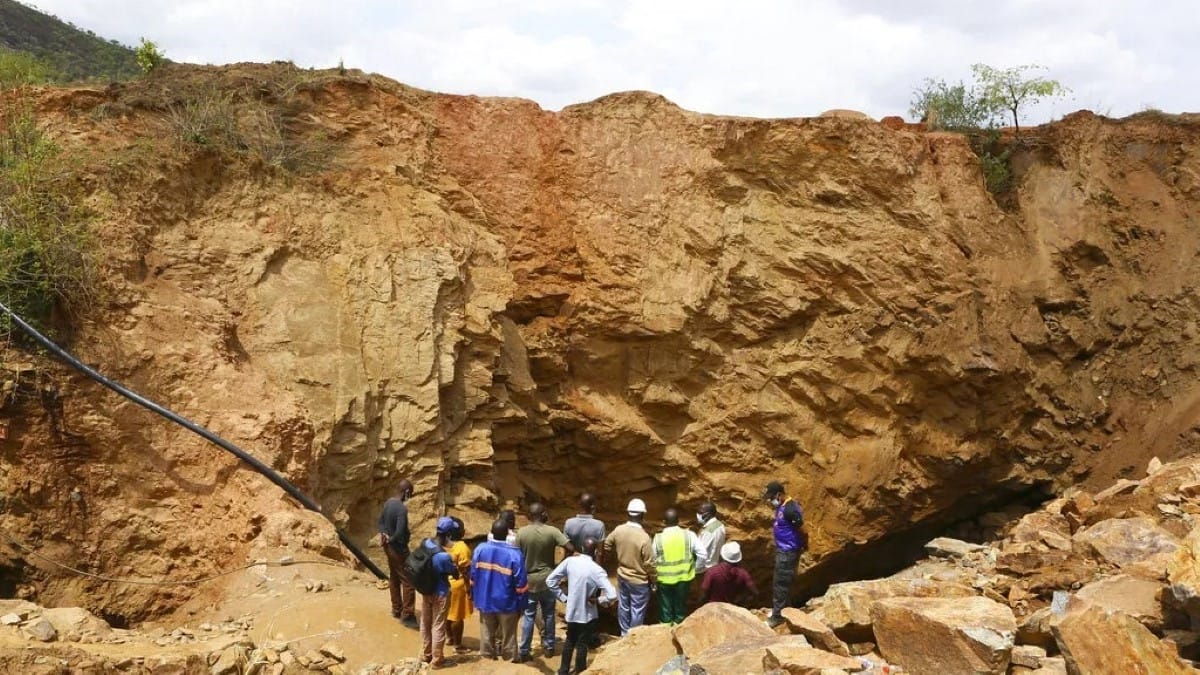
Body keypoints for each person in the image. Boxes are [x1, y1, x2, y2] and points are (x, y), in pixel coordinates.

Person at [547, 537, 617, 675]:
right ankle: (580, 671)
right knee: (582, 643)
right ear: (596, 551)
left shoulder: (570, 562)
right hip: (588, 613)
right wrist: (598, 600)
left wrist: (563, 597)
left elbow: (550, 581)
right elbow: (612, 595)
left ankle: (563, 671)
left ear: (582, 549)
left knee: (570, 641)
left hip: (572, 611)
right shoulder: (597, 570)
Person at [516, 503, 574, 662]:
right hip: (548, 578)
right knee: (549, 614)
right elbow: (570, 547)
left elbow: (516, 556)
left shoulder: (521, 533)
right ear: (542, 514)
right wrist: (560, 565)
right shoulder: (552, 531)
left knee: (529, 615)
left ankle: (524, 650)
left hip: (529, 579)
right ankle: (549, 647)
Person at [471, 518, 528, 662]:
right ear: (507, 535)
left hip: (484, 600)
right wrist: (522, 605)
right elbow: (521, 586)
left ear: (491, 533)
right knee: (509, 636)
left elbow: (473, 577)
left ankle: (487, 661)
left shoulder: (480, 549)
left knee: (486, 635)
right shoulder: (515, 554)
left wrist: (475, 597)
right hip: (507, 603)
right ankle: (509, 663)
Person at [602, 498, 656, 636]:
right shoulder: (644, 537)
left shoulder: (618, 530)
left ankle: (624, 634)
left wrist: (615, 556)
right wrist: (654, 580)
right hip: (639, 580)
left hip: (622, 576)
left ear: (628, 514)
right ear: (642, 515)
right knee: (637, 610)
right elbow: (649, 563)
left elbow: (607, 544)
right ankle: (634, 636)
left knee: (624, 606)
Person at [418, 517, 462, 668]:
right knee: (438, 625)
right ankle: (437, 660)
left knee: (425, 622)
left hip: (425, 590)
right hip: (440, 593)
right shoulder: (443, 556)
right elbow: (455, 574)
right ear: (449, 534)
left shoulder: (425, 542)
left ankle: (426, 654)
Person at [652, 507, 707, 625]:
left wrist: (652, 579)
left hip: (664, 580)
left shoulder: (658, 538)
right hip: (684, 579)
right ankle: (679, 628)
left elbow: (652, 560)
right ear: (678, 521)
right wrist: (695, 569)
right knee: (680, 608)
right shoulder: (689, 535)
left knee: (665, 609)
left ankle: (665, 631)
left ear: (664, 522)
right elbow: (703, 554)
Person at [763, 481, 807, 628]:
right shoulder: (783, 506)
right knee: (784, 582)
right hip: (783, 549)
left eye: (772, 497)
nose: (770, 501)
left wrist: (802, 544)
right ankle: (785, 610)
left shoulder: (790, 509)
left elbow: (803, 529)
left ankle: (777, 616)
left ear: (779, 494)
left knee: (780, 583)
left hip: (788, 551)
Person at [378, 479, 417, 628]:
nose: (410, 497)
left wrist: (384, 535)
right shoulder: (401, 509)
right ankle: (408, 615)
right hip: (398, 549)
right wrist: (393, 538)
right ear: (406, 492)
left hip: (388, 547)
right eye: (410, 494)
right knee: (409, 581)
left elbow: (380, 521)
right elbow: (400, 531)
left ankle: (396, 609)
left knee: (394, 577)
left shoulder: (388, 503)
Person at [445, 516, 473, 655]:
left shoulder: (442, 544)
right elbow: (466, 571)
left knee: (447, 613)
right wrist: (469, 588)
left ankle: (449, 638)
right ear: (462, 532)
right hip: (457, 585)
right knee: (457, 616)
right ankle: (458, 645)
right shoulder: (462, 548)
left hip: (443, 582)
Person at [700, 541, 757, 606]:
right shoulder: (743, 574)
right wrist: (741, 600)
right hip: (732, 609)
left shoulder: (712, 572)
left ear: (722, 555)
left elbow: (703, 595)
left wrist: (700, 607)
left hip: (713, 608)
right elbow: (755, 593)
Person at [695, 501, 726, 579]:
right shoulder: (719, 524)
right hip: (714, 566)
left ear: (707, 514)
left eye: (700, 512)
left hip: (704, 571)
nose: (697, 514)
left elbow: (702, 553)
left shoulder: (709, 531)